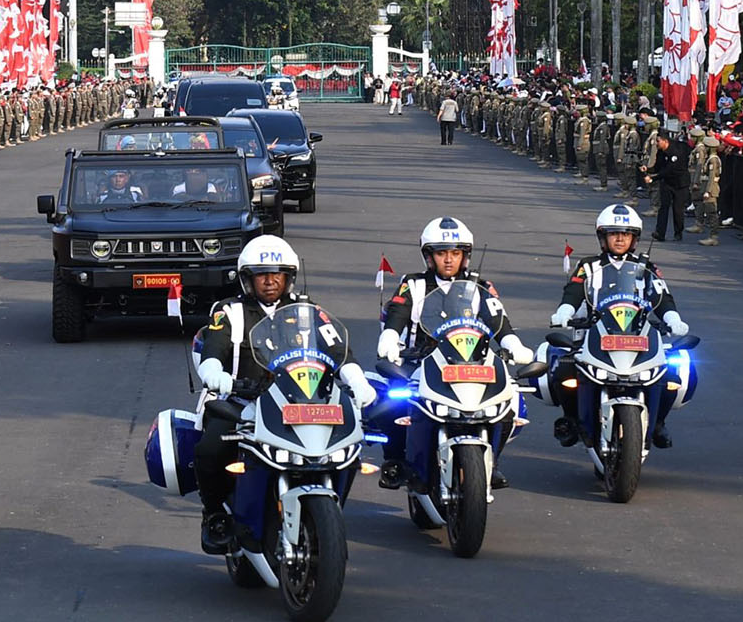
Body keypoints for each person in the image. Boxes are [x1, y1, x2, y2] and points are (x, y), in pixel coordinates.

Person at [189, 235, 375, 555]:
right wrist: (215, 375)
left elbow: (338, 350)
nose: (271, 279)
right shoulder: (229, 311)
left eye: (278, 273)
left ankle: (326, 511)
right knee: (210, 448)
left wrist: (357, 382)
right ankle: (215, 513)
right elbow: (213, 349)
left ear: (289, 276)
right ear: (248, 278)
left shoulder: (309, 310)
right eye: (262, 273)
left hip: (300, 400)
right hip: (242, 401)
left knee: (348, 444)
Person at [374, 217, 532, 492]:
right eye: (442, 253)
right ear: (429, 256)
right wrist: (390, 335)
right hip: (421, 361)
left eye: (456, 253)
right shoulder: (413, 284)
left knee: (511, 400)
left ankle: (491, 461)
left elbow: (497, 317)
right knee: (392, 401)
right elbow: (399, 310)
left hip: (471, 361)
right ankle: (397, 462)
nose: (449, 260)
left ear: (465, 256)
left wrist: (513, 343)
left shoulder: (480, 285)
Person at [549, 204, 691, 448]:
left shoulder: (646, 267)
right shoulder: (588, 265)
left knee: (670, 374)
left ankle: (658, 423)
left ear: (634, 238)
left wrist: (672, 318)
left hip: (637, 334)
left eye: (625, 234)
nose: (619, 238)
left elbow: (661, 295)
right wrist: (565, 310)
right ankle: (571, 419)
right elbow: (574, 290)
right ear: (602, 237)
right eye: (614, 233)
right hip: (594, 332)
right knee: (563, 369)